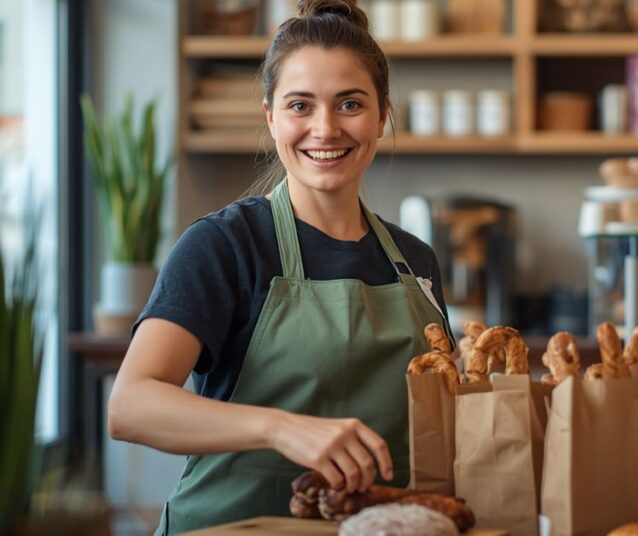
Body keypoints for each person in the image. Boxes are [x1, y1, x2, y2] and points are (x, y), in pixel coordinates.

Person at [106, 1, 453, 532]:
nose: (325, 127)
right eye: (300, 105)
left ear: (382, 116)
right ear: (270, 118)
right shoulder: (224, 246)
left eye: (350, 104)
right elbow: (130, 405)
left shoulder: (415, 260)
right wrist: (280, 429)